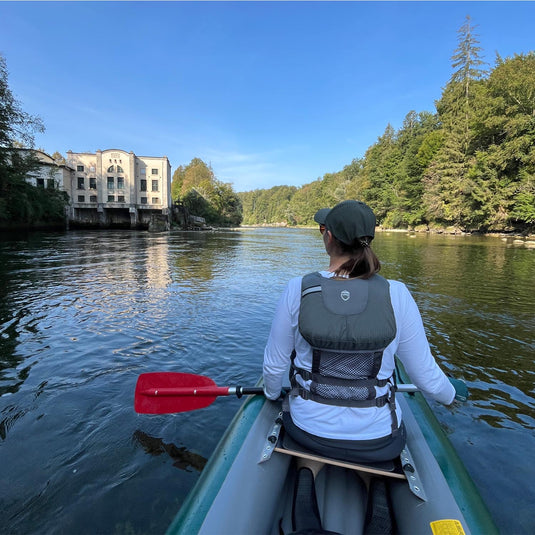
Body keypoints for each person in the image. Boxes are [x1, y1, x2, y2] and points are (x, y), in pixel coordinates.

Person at [262, 200, 456, 464]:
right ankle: (374, 489)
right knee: (375, 465)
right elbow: (427, 379)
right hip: (378, 438)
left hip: (307, 429)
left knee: (310, 454)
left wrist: (273, 395)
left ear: (328, 237)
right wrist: (451, 397)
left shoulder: (298, 288)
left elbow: (274, 367)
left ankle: (309, 473)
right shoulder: (396, 293)